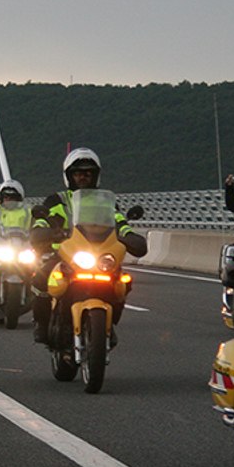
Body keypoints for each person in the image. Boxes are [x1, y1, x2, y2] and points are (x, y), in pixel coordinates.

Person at [29, 147, 147, 344]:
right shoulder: (57, 200)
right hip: (65, 252)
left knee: (123, 281)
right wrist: (46, 232)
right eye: (78, 173)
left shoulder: (106, 202)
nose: (83, 177)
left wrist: (129, 236)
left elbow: (118, 223)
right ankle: (42, 323)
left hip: (99, 254)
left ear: (96, 176)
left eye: (88, 173)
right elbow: (43, 222)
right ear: (69, 176)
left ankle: (109, 325)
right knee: (42, 276)